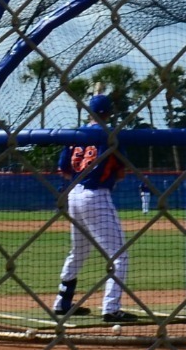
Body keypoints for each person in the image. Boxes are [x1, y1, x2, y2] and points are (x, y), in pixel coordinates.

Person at [53, 92, 132, 323]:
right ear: (109, 113)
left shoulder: (75, 134)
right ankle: (111, 308)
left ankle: (62, 302)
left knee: (78, 252)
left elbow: (64, 170)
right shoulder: (110, 135)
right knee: (119, 256)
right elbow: (121, 173)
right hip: (96, 194)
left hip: (73, 195)